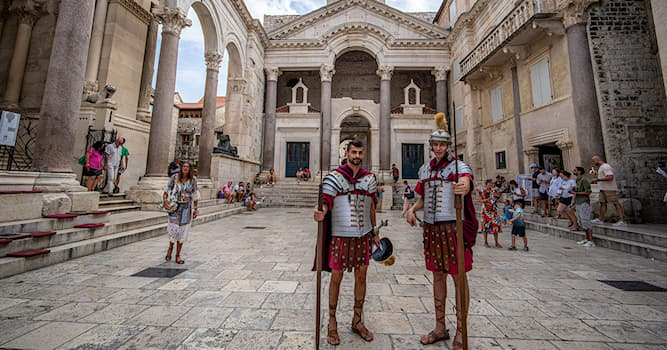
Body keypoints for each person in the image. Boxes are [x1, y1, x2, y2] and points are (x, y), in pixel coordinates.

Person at [405, 112, 477, 348]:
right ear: (431, 146)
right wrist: (412, 210)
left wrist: (463, 185)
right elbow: (424, 197)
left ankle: (461, 330)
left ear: (448, 146)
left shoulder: (459, 166)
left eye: (442, 144)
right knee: (437, 277)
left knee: (459, 278)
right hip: (433, 231)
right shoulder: (425, 170)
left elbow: (466, 181)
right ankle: (439, 327)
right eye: (435, 144)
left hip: (453, 230)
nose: (438, 148)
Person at [313, 139, 380, 346]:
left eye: (360, 152)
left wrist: (374, 232)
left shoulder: (369, 179)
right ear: (346, 152)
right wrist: (320, 214)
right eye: (353, 152)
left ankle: (357, 320)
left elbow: (371, 208)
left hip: (362, 236)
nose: (357, 156)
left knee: (361, 277)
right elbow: (326, 202)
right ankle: (332, 322)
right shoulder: (334, 178)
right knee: (337, 278)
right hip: (340, 236)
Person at [162, 161, 199, 264]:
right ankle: (170, 248)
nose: (185, 168)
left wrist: (195, 209)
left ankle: (178, 255)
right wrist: (165, 200)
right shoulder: (174, 177)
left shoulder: (193, 180)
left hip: (186, 208)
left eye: (188, 167)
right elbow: (166, 189)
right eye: (184, 166)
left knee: (182, 231)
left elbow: (195, 195)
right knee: (173, 229)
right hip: (175, 207)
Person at [591, 155, 626, 226]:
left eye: (593, 161)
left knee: (615, 203)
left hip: (609, 188)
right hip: (603, 188)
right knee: (602, 203)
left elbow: (610, 177)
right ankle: (600, 219)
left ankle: (622, 220)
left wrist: (598, 179)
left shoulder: (606, 167)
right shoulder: (601, 167)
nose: (593, 163)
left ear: (597, 160)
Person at [572, 167, 594, 247]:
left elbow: (588, 192)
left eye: (575, 170)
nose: (573, 171)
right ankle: (587, 238)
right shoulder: (576, 181)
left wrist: (577, 193)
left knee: (586, 220)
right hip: (578, 202)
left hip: (583, 202)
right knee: (581, 221)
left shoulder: (584, 180)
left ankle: (591, 240)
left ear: (579, 171)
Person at [479, 179, 502, 248]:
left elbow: (498, 197)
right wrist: (488, 199)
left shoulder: (493, 190)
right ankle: (485, 242)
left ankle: (496, 242)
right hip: (485, 210)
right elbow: (480, 200)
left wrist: (498, 193)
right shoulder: (482, 191)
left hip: (493, 210)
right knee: (485, 226)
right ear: (487, 183)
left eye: (492, 183)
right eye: (490, 183)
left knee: (496, 225)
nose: (491, 185)